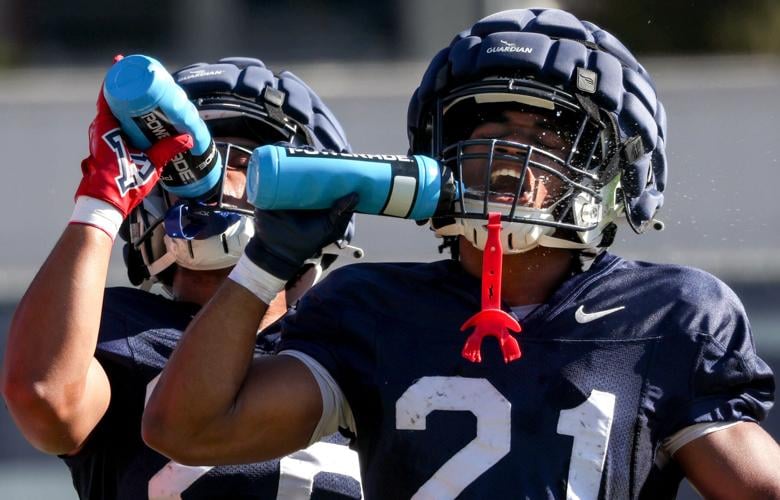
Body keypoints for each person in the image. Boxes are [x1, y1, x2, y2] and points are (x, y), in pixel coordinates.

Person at [143, 9, 780, 499]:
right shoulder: (369, 307)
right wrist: (266, 263)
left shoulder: (667, 313)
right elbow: (188, 430)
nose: (510, 158)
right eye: (488, 133)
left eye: (546, 137)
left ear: (617, 172)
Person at [1, 56, 364, 499]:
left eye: (245, 161)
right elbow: (43, 397)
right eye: (184, 165)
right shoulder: (127, 331)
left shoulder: (351, 345)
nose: (209, 181)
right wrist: (100, 200)